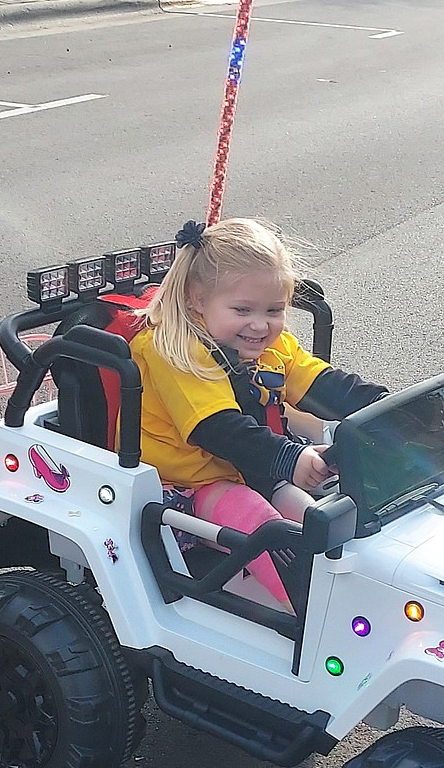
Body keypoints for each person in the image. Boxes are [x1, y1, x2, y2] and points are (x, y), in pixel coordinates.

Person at [131, 218, 388, 608]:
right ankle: (310, 616)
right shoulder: (172, 350)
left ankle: (354, 600)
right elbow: (218, 429)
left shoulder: (272, 344)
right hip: (185, 484)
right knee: (263, 525)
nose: (260, 324)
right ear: (196, 299)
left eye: (274, 309)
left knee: (329, 527)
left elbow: (324, 386)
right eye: (243, 309)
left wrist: (391, 411)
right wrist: (290, 458)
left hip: (248, 469)